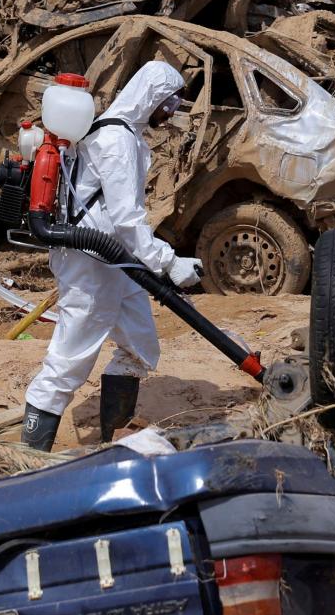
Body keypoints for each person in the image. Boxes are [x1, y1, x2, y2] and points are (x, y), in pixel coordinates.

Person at [21, 61, 203, 451]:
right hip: (93, 263)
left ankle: (113, 440)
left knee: (138, 345)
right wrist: (168, 263)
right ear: (152, 96)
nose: (171, 112)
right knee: (68, 361)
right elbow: (126, 217)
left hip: (116, 262)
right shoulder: (117, 139)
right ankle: (28, 457)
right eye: (170, 102)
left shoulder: (123, 132)